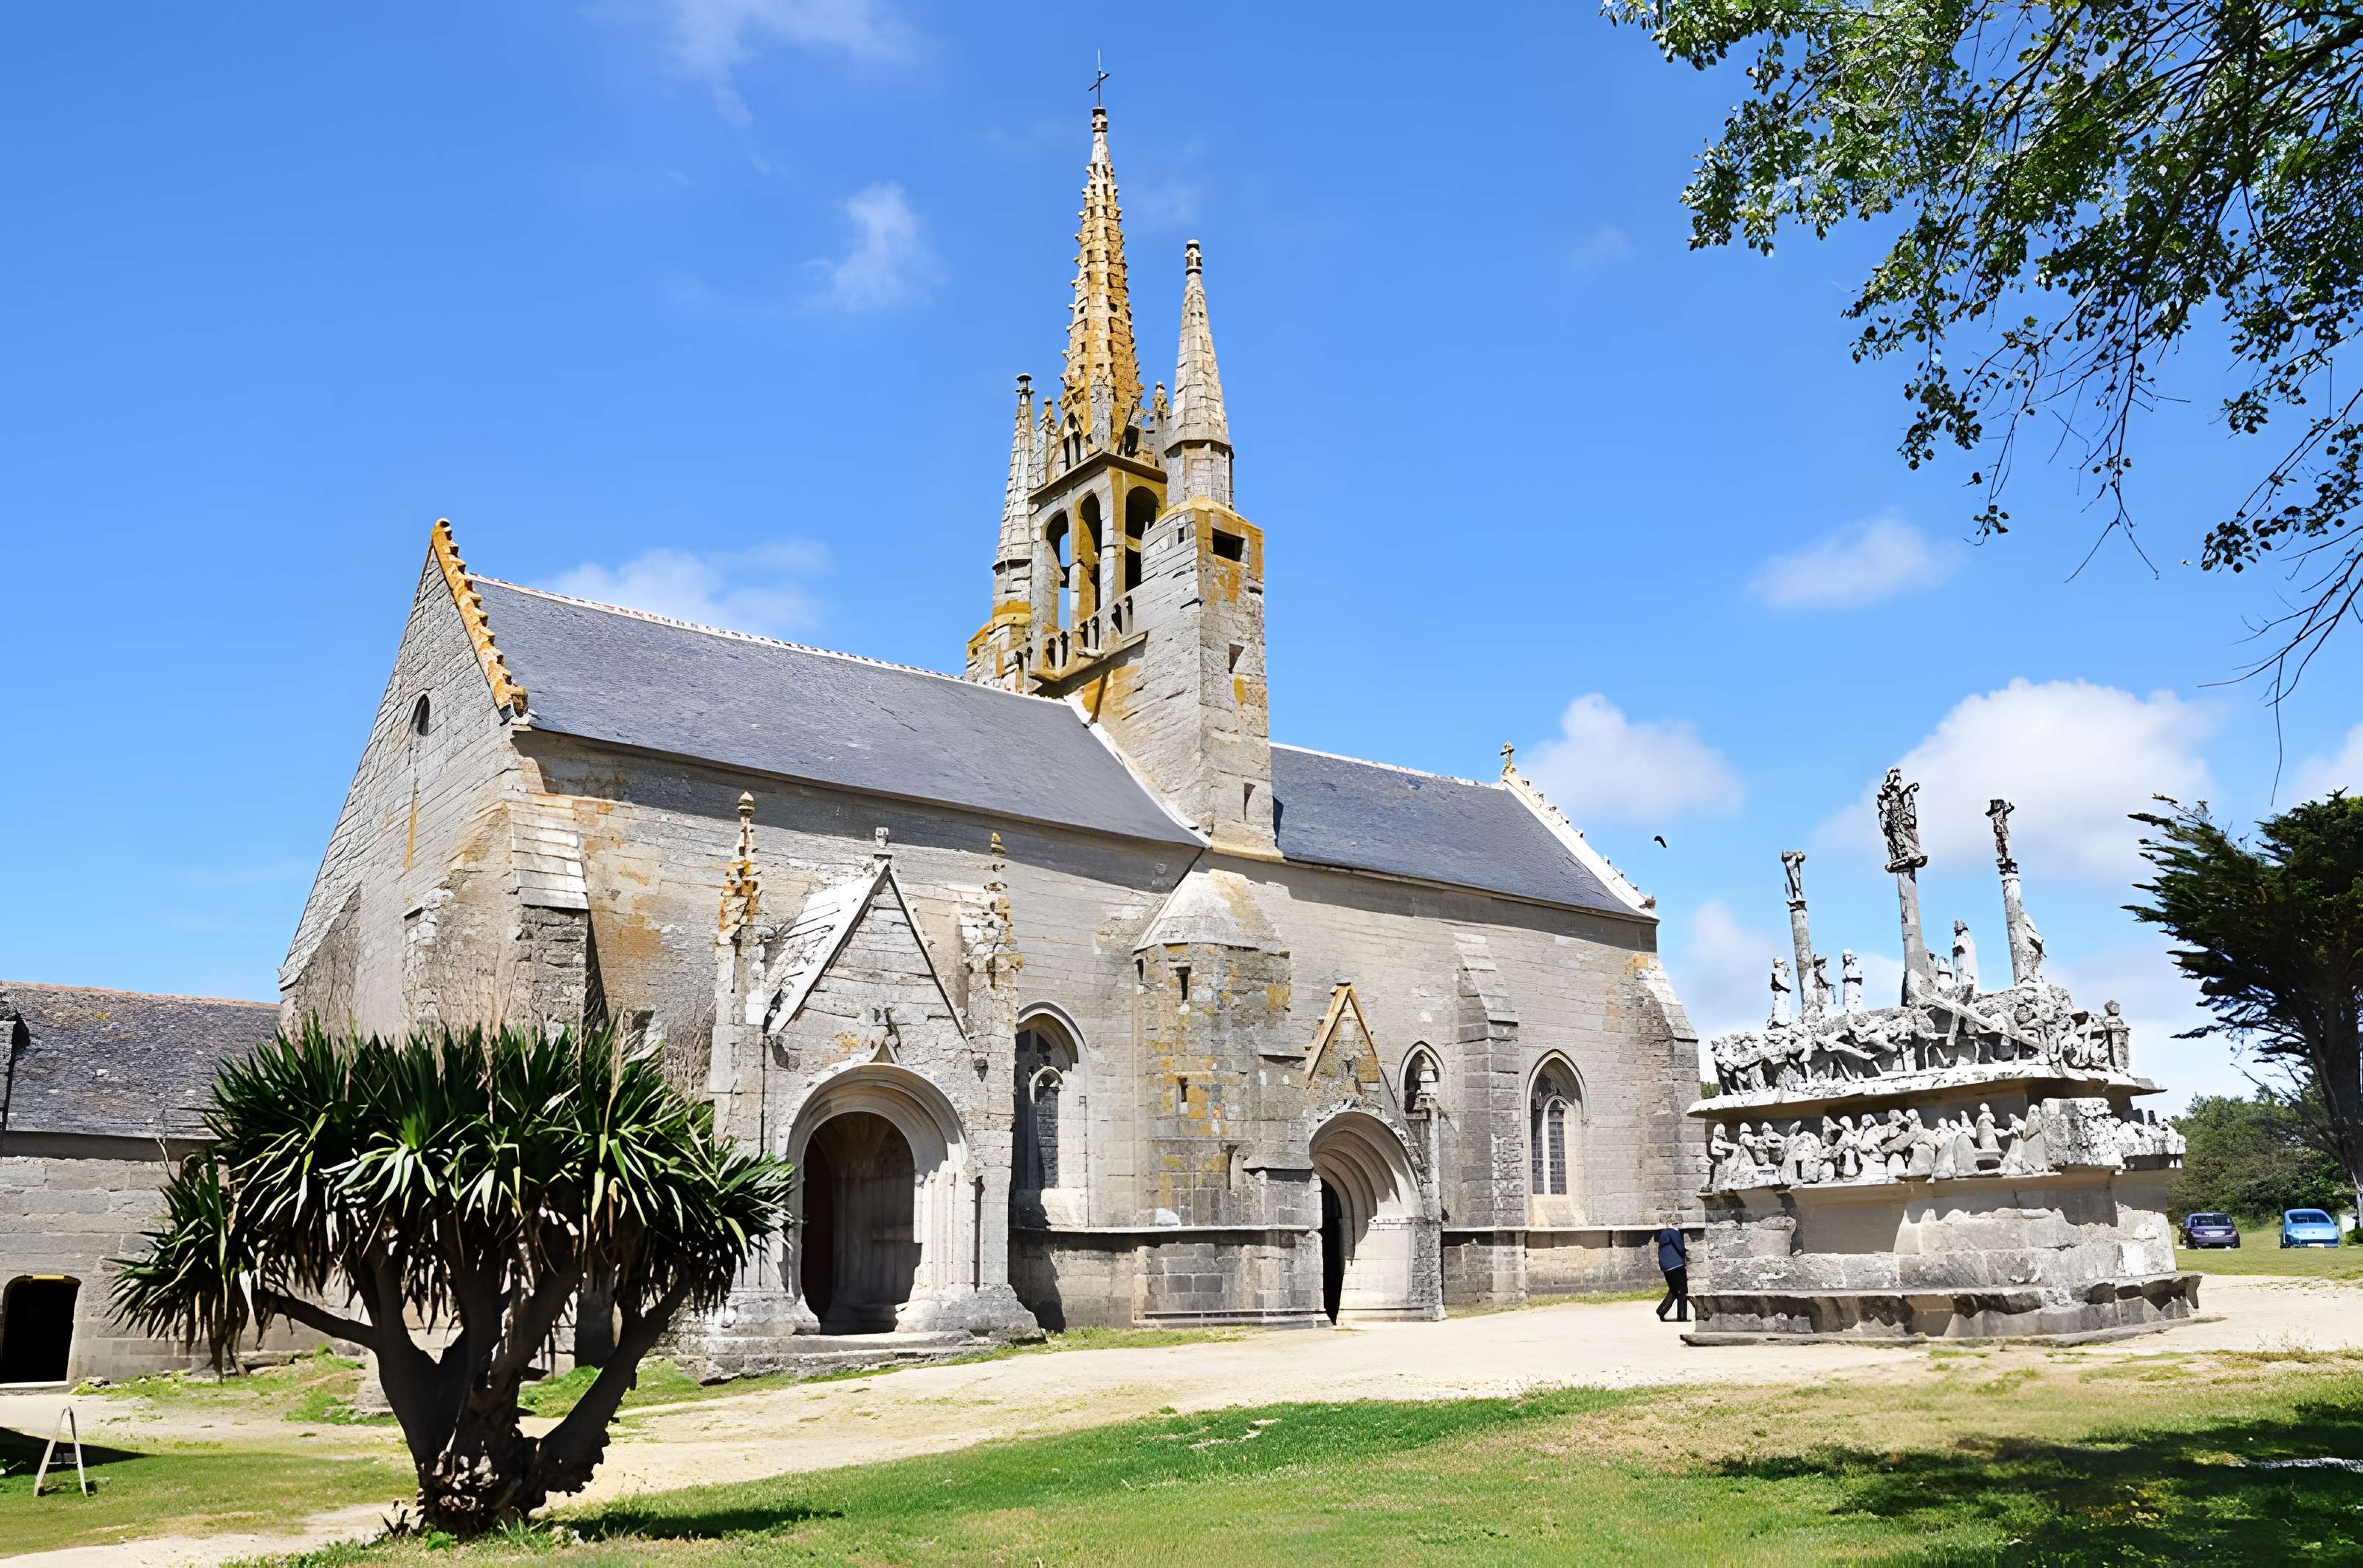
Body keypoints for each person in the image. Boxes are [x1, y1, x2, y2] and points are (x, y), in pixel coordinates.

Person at [1653, 1214, 1690, 1323]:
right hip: (1676, 1265)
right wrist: (1687, 1257)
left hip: (1667, 1267)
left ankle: (1662, 1310)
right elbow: (1680, 1247)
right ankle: (1682, 1317)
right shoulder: (1673, 1232)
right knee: (1683, 1291)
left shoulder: (1664, 1233)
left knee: (1674, 1290)